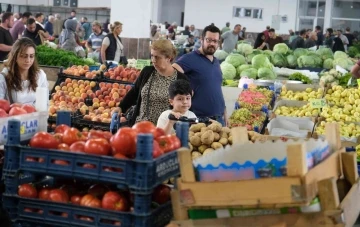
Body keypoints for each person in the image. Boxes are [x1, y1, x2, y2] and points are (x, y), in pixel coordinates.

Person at [119, 39, 188, 126]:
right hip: (140, 126)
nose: (153, 60)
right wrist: (120, 107)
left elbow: (185, 107)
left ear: (169, 58)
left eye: (157, 57)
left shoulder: (181, 79)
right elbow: (134, 92)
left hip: (164, 130)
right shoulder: (147, 72)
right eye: (152, 56)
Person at [173, 25, 227, 126]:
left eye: (215, 41)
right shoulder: (190, 58)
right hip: (198, 120)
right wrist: (185, 90)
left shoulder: (216, 62)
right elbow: (172, 73)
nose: (212, 43)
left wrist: (224, 110)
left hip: (219, 119)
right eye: (209, 40)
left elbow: (217, 88)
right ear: (201, 40)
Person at [0, 37, 48, 105]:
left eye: (31, 56)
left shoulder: (40, 75)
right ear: (15, 56)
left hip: (35, 114)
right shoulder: (4, 77)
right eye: (24, 56)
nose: (28, 60)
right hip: (13, 114)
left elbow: (44, 102)